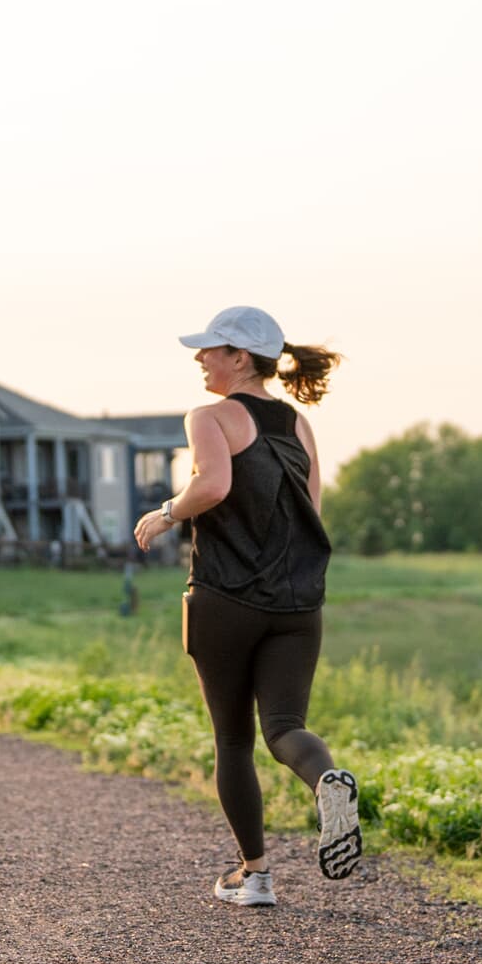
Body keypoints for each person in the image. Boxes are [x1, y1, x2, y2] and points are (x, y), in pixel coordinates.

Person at [134, 306, 358, 907]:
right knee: (285, 728)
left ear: (239, 357)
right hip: (298, 603)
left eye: (210, 349)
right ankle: (325, 780)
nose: (200, 358)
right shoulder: (298, 425)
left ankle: (254, 876)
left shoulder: (209, 416)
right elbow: (312, 506)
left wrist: (166, 513)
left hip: (226, 599)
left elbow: (213, 485)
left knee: (233, 741)